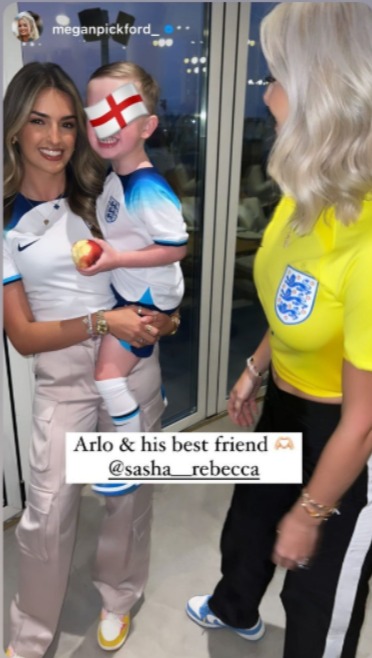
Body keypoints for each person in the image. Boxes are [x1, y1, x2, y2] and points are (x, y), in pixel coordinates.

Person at [186, 4, 372, 658]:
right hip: (287, 402)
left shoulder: (369, 246)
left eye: (277, 76)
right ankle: (234, 610)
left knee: (314, 598)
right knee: (249, 527)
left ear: (327, 89)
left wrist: (312, 511)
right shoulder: (303, 195)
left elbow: (363, 422)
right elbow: (295, 308)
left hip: (344, 434)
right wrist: (254, 368)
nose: (264, 95)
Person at [3, 61, 177, 658]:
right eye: (38, 122)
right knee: (47, 514)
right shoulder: (3, 219)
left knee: (128, 501)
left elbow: (153, 273)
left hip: (131, 366)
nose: (54, 138)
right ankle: (30, 636)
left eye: (68, 124)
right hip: (62, 380)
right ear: (15, 129)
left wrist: (163, 318)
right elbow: (22, 335)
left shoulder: (105, 195)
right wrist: (103, 321)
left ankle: (119, 598)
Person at [78, 62, 188, 495]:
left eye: (120, 111)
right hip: (129, 286)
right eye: (95, 113)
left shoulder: (148, 188)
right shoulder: (114, 180)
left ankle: (129, 458)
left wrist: (115, 257)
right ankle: (151, 400)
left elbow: (176, 246)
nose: (106, 123)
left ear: (148, 125)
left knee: (106, 375)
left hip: (145, 296)